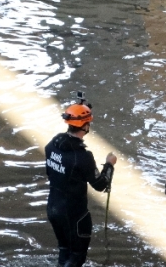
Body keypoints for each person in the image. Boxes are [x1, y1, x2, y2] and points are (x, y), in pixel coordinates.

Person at [45, 95, 117, 267]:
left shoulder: (52, 145)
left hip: (53, 207)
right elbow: (100, 185)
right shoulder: (82, 156)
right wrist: (109, 165)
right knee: (77, 257)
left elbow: (50, 172)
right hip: (75, 214)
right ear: (86, 126)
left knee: (64, 249)